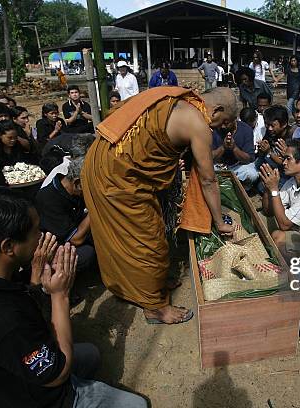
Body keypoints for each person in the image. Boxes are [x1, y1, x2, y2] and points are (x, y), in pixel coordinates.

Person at [0, 190, 148, 408]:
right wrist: (60, 295)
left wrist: (35, 276)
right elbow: (57, 375)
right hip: (26, 398)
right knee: (137, 404)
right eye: (37, 231)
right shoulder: (2, 320)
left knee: (90, 355)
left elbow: (17, 306)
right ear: (8, 247)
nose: (43, 236)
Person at [81, 86, 236, 324]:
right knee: (150, 243)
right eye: (223, 122)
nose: (218, 128)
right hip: (117, 177)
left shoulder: (172, 96)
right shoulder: (198, 124)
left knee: (127, 236)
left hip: (101, 157)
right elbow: (208, 179)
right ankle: (155, 307)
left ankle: (146, 284)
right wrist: (218, 221)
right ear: (216, 110)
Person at [36, 156, 95, 275]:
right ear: (77, 183)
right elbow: (76, 239)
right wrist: (95, 206)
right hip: (52, 248)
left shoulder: (74, 192)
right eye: (90, 187)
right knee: (87, 254)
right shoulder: (49, 199)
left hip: (72, 233)